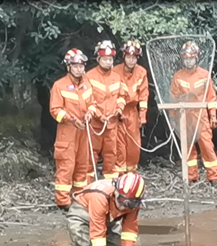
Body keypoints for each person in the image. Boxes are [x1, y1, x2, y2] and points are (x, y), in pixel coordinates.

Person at [49, 48, 100, 210]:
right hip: (67, 133)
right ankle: (63, 202)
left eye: (81, 66)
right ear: (68, 67)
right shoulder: (59, 86)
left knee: (82, 166)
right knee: (66, 166)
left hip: (84, 131)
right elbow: (55, 110)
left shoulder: (87, 84)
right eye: (75, 66)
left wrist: (90, 113)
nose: (79, 69)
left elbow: (93, 103)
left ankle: (80, 197)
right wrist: (71, 119)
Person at [169, 41, 217, 185]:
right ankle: (191, 176)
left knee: (207, 147)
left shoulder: (204, 75)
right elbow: (173, 99)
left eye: (191, 58)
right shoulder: (178, 76)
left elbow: (211, 97)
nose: (188, 61)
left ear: (196, 58)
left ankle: (213, 177)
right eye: (185, 58)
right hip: (184, 117)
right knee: (188, 149)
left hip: (201, 116)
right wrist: (173, 117)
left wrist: (213, 115)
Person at [85, 40, 128, 183]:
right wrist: (99, 115)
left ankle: (110, 187)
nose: (108, 62)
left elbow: (122, 96)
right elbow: (87, 100)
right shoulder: (89, 77)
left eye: (110, 59)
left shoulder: (117, 77)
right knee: (91, 155)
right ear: (98, 59)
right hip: (95, 125)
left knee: (111, 155)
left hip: (112, 124)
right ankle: (89, 187)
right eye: (105, 59)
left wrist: (119, 109)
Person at [113, 39, 150, 175]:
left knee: (134, 145)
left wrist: (142, 115)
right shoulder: (115, 71)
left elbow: (144, 95)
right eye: (128, 57)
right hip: (118, 113)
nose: (131, 60)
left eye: (134, 57)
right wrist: (117, 110)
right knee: (119, 146)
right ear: (124, 56)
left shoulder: (141, 72)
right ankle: (120, 176)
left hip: (133, 113)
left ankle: (131, 174)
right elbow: (112, 93)